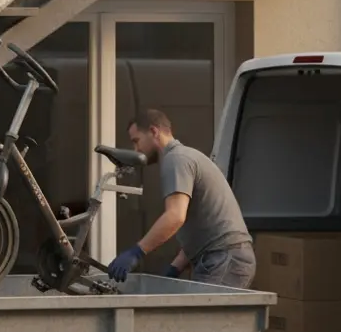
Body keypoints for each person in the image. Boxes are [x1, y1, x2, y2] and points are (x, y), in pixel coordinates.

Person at [105, 108, 256, 288]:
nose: (136, 149)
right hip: (223, 257)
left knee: (202, 309)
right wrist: (174, 268)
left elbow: (175, 216)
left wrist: (136, 252)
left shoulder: (176, 159)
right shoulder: (184, 157)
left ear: (154, 131)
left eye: (136, 141)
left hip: (223, 258)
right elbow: (200, 227)